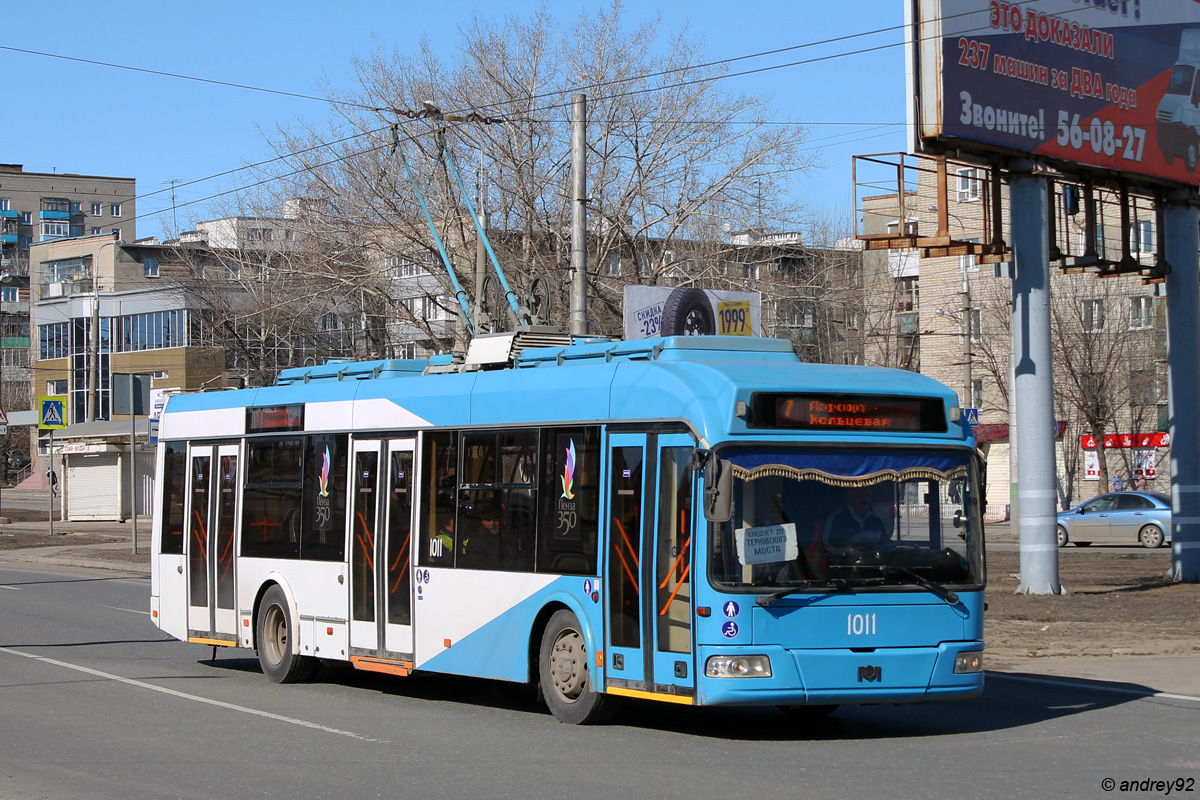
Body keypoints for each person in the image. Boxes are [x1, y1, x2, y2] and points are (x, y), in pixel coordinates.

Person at [823, 486, 888, 549]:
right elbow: (826, 546)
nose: (865, 498)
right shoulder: (836, 519)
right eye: (860, 494)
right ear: (849, 496)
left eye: (868, 494)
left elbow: (887, 546)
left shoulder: (877, 522)